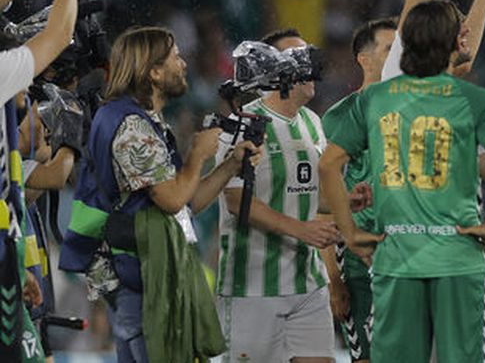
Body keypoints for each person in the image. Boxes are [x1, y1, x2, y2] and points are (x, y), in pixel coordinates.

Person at [320, 0, 485, 363]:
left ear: (405, 45)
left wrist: (350, 233)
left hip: (396, 254)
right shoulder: (476, 99)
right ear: (455, 44)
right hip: (457, 255)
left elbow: (328, 165)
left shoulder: (375, 99)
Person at [60, 27, 258, 363]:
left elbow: (185, 204)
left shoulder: (142, 119)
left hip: (143, 277)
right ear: (153, 71)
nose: (183, 64)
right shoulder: (130, 125)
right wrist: (197, 154)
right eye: (175, 58)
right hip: (141, 281)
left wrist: (230, 165)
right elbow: (171, 200)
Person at [214, 28, 343, 363]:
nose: (308, 65)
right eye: (297, 58)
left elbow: (308, 194)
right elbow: (234, 200)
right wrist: (301, 230)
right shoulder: (243, 124)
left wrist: (347, 201)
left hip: (308, 284)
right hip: (253, 287)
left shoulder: (312, 122)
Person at [332, 17, 396, 363]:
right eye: (389, 50)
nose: (399, 57)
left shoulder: (414, 109)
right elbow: (322, 203)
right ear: (364, 59)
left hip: (408, 253)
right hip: (359, 263)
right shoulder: (339, 118)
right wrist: (333, 278)